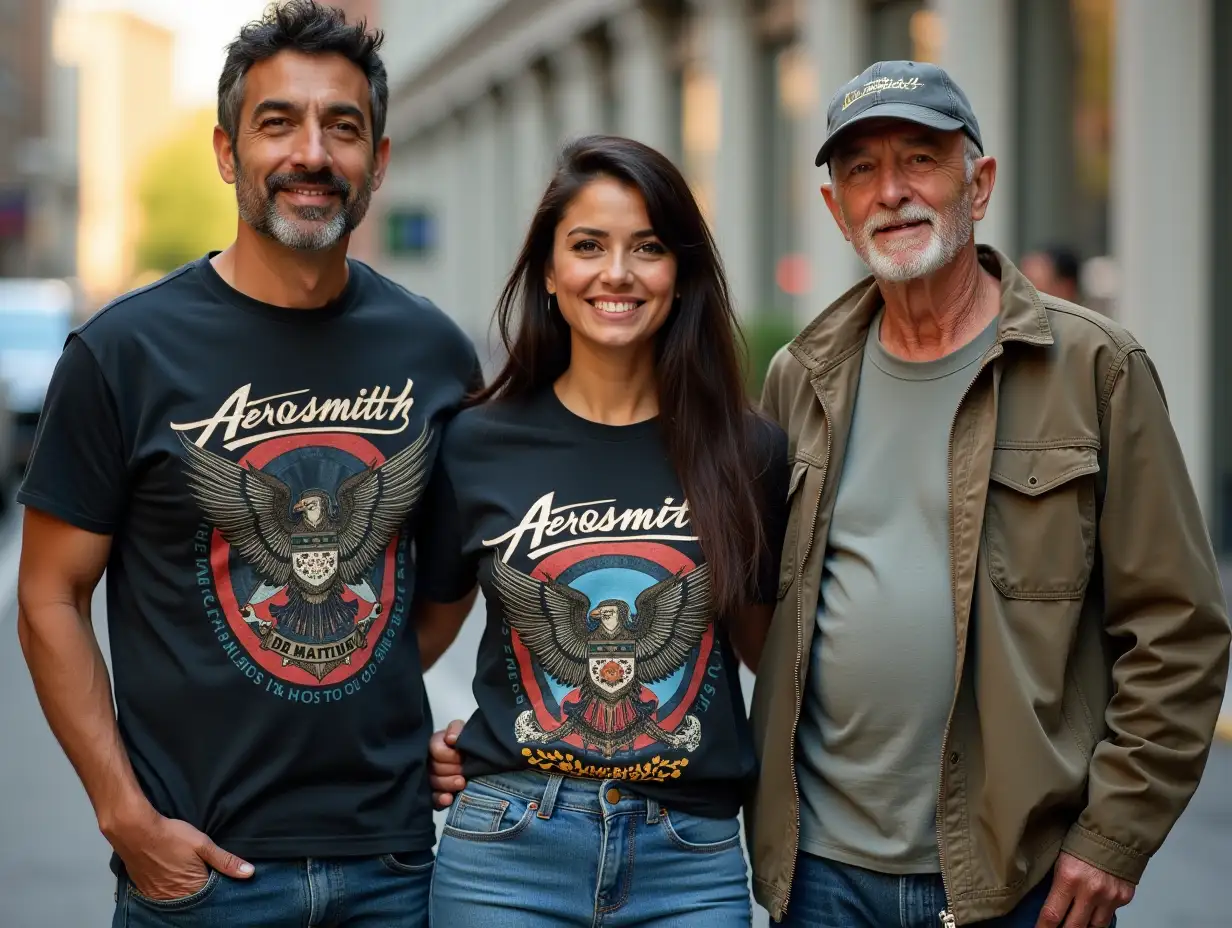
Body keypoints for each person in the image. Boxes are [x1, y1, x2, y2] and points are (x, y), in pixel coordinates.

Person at [15, 3, 478, 926]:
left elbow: (441, 584)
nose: (312, 153)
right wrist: (125, 816)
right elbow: (48, 597)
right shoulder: (124, 353)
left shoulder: (435, 352)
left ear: (377, 162)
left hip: (392, 865)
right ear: (228, 154)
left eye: (342, 127)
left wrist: (352, 671)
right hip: (197, 874)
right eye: (279, 123)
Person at [749, 60, 1231, 928]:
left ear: (981, 181)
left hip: (1021, 880)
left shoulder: (1095, 368)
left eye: (921, 159)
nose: (891, 191)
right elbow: (749, 607)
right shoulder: (800, 378)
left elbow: (1178, 630)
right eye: (860, 170)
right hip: (820, 874)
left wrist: (1114, 834)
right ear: (835, 209)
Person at [417, 135, 789, 926]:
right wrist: (396, 748)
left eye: (647, 247)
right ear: (550, 273)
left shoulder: (747, 450)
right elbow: (414, 637)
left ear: (680, 273)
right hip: (506, 849)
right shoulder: (477, 442)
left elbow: (773, 657)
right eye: (588, 246)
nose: (616, 273)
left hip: (688, 860)